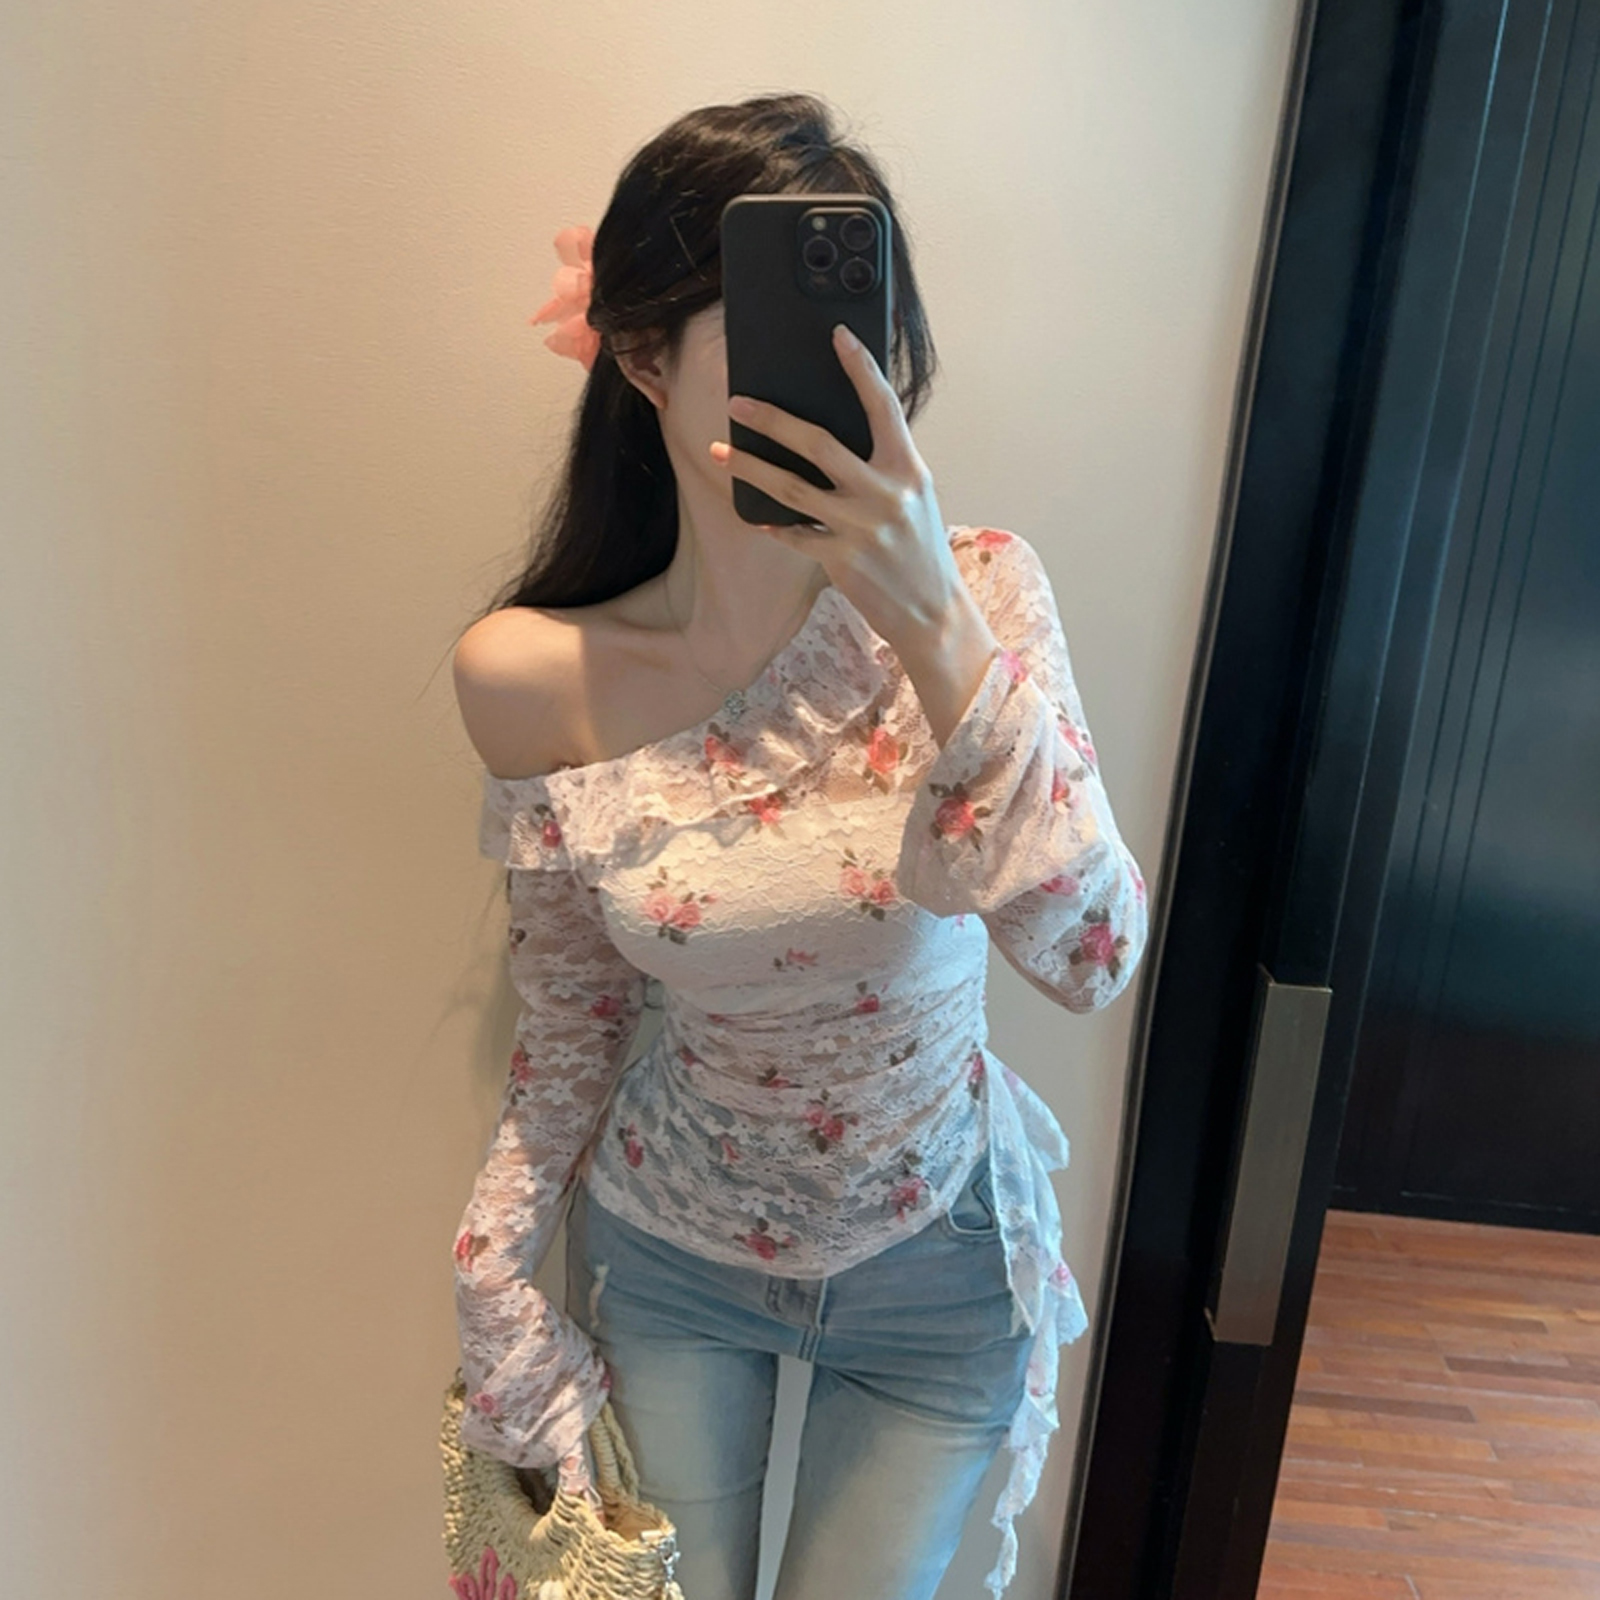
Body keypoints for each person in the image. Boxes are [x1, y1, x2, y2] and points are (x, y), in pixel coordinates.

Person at [449, 92, 1149, 1600]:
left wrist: (933, 622)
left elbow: (1092, 955)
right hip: (673, 1259)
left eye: (865, 336)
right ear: (641, 358)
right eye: (782, 336)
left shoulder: (979, 596)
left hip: (939, 1262)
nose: (843, 381)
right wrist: (491, 1265)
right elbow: (574, 1012)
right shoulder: (536, 678)